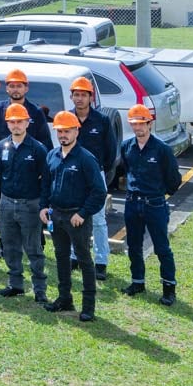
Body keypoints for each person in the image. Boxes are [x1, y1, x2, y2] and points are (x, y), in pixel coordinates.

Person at [40, 111, 107, 322]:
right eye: (60, 131)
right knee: (61, 258)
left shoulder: (86, 159)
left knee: (84, 260)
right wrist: (44, 207)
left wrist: (83, 213)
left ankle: (88, 307)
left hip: (77, 216)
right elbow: (45, 185)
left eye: (67, 131)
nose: (63, 135)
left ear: (76, 131)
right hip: (56, 215)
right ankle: (64, 298)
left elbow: (99, 191)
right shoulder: (52, 155)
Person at [120, 104, 182, 306]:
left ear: (149, 123)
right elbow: (127, 170)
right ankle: (137, 282)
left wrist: (160, 194)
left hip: (154, 204)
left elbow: (174, 178)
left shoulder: (162, 149)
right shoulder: (127, 146)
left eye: (141, 124)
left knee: (162, 248)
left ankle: (169, 288)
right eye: (134, 124)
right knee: (134, 246)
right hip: (132, 203)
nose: (138, 128)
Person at [0, 104, 48, 302]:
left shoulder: (38, 149)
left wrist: (42, 205)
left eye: (20, 121)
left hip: (30, 204)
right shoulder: (1, 146)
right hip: (7, 202)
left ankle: (40, 288)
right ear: (7, 124)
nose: (16, 125)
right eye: (12, 122)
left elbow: (46, 179)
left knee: (33, 248)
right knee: (9, 246)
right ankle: (15, 284)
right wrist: (1, 201)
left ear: (27, 122)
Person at [67, 77, 116, 281]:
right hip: (72, 175)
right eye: (76, 95)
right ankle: (74, 256)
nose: (79, 99)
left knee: (98, 220)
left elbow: (111, 151)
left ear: (90, 97)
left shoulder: (102, 120)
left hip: (96, 176)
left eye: (83, 95)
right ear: (72, 97)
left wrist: (98, 171)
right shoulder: (67, 117)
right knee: (72, 217)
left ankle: (101, 261)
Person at [0, 69, 52, 151]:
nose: (15, 89)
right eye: (12, 86)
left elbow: (45, 142)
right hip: (3, 159)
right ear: (7, 88)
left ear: (26, 88)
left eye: (19, 86)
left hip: (29, 159)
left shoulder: (36, 111)